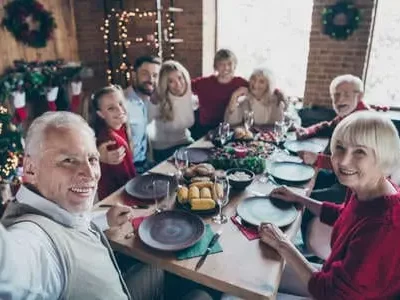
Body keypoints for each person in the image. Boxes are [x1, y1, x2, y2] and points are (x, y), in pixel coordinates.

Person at [0, 111, 213, 300]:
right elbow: (12, 270)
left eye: (92, 159)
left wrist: (104, 220)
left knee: (162, 268)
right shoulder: (32, 240)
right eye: (68, 160)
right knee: (203, 294)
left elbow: (70, 224)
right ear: (30, 168)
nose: (90, 173)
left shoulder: (55, 206)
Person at [260, 111, 400, 299]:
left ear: (384, 158)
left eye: (360, 151)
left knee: (236, 295)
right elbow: (344, 215)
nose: (343, 161)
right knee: (259, 270)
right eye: (340, 147)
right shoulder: (366, 186)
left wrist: (283, 244)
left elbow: (331, 293)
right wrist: (300, 198)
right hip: (335, 279)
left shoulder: (385, 226)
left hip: (333, 292)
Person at [295, 74, 388, 252]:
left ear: (359, 96)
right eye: (335, 95)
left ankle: (307, 248)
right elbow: (327, 125)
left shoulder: (364, 122)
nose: (339, 99)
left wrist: (317, 159)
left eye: (345, 94)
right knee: (305, 183)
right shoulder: (350, 114)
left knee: (306, 199)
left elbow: (353, 165)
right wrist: (306, 131)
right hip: (344, 180)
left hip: (355, 191)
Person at [99, 55, 161, 174]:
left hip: (147, 164)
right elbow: (97, 130)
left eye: (155, 75)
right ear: (133, 75)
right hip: (127, 170)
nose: (151, 79)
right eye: (145, 73)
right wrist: (98, 154)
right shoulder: (121, 103)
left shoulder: (150, 100)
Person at [91, 85, 136, 200]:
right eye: (111, 108)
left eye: (120, 104)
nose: (120, 110)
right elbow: (126, 182)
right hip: (116, 199)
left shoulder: (122, 128)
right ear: (100, 114)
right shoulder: (111, 142)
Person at [191, 49, 248, 139]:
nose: (226, 68)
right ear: (216, 66)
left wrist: (277, 91)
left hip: (230, 128)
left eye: (229, 64)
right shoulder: (204, 83)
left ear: (235, 65)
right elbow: (183, 86)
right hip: (205, 129)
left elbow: (259, 88)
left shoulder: (240, 82)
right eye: (221, 64)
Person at [147, 60, 196, 162]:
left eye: (179, 78)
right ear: (165, 84)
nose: (178, 84)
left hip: (185, 142)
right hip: (164, 149)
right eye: (171, 81)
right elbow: (145, 124)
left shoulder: (190, 98)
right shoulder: (157, 100)